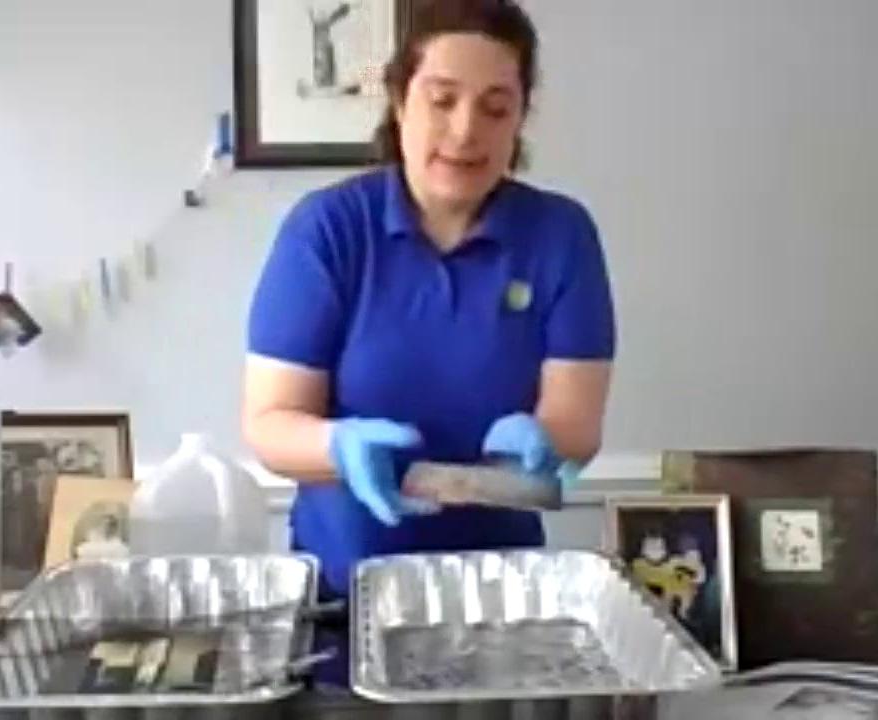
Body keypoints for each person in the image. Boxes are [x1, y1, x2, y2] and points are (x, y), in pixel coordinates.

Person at [244, 0, 616, 599]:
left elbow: (576, 423)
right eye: (442, 101)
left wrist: (544, 439)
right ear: (399, 102)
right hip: (344, 592)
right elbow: (268, 422)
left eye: (495, 108)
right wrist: (336, 448)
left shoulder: (560, 234)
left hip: (503, 594)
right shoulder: (326, 230)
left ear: (520, 117)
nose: (467, 131)